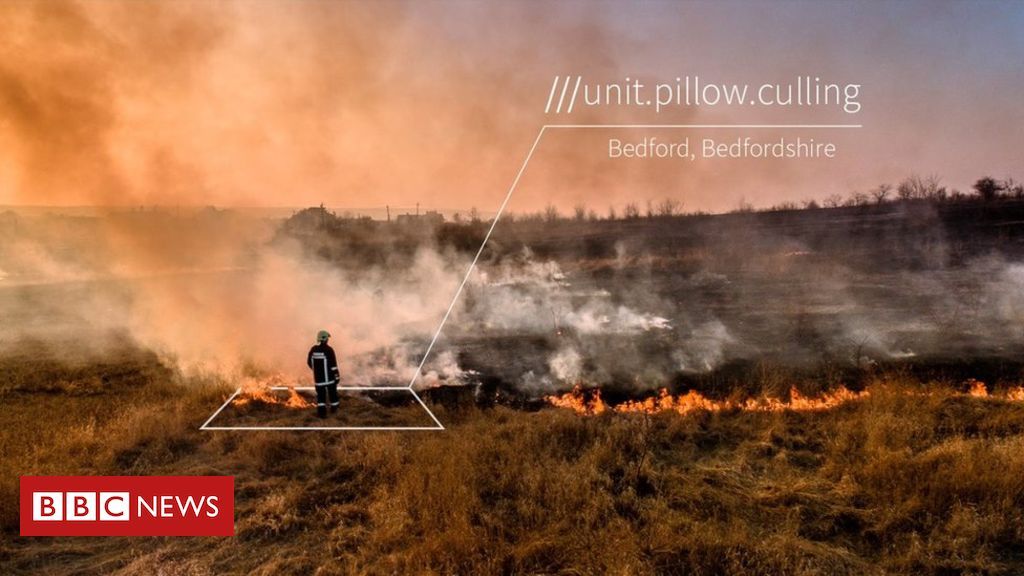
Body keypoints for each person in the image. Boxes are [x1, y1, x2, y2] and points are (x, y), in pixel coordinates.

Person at [307, 330, 340, 418]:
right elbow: (333, 365)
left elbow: (309, 363)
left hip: (318, 380)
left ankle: (322, 414)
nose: (328, 340)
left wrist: (316, 371)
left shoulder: (313, 349)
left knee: (321, 397)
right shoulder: (329, 350)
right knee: (333, 395)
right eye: (327, 338)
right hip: (329, 379)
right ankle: (334, 411)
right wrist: (337, 377)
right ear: (325, 339)